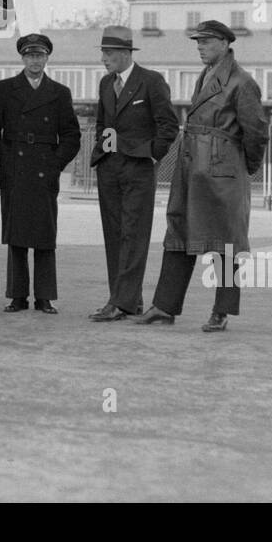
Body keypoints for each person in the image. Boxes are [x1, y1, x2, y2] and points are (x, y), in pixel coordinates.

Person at [134, 20, 268, 332]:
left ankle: (222, 311)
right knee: (178, 232)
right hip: (193, 165)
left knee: (225, 242)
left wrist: (244, 167)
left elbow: (257, 132)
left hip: (222, 171)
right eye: (198, 42)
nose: (200, 47)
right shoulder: (208, 75)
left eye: (206, 42)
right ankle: (164, 306)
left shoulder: (241, 82)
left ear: (224, 43)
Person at [88, 25, 180, 322]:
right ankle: (128, 299)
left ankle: (120, 302)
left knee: (133, 235)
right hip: (109, 167)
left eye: (110, 53)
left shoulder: (151, 82)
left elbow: (168, 125)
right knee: (114, 235)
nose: (105, 58)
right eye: (103, 52)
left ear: (127, 54)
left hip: (138, 168)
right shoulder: (105, 84)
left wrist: (152, 154)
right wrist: (102, 152)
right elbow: (103, 123)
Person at [0, 33, 81, 314]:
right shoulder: (5, 89)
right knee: (16, 234)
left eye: (39, 55)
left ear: (46, 58)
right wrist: (3, 162)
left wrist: (54, 163)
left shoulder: (59, 92)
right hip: (15, 169)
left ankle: (44, 296)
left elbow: (71, 135)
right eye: (30, 55)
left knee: (45, 235)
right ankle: (17, 296)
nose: (35, 61)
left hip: (44, 169)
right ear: (22, 58)